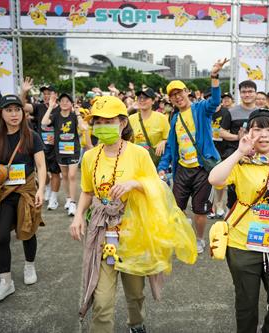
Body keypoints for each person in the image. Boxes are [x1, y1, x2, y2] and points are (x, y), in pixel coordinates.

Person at [69, 96, 196, 333]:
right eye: (98, 121)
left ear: (122, 123)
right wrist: (78, 216)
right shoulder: (89, 157)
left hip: (134, 234)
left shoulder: (138, 153)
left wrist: (133, 184)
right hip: (102, 233)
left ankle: (136, 323)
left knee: (135, 293)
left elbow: (157, 187)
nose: (103, 126)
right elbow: (87, 191)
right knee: (102, 301)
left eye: (109, 121)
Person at [209, 109, 269, 333]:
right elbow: (214, 179)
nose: (264, 134)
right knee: (246, 305)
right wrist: (238, 152)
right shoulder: (240, 163)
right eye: (258, 129)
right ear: (249, 132)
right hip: (242, 243)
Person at [0, 94, 46, 302]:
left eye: (17, 110)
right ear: (2, 113)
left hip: (26, 191)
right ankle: (6, 282)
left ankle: (29, 265)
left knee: (27, 231)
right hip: (4, 192)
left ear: (23, 112)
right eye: (9, 110)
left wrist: (40, 190)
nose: (14, 114)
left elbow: (40, 165)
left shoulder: (32, 136)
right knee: (1, 236)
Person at [158, 58, 228, 254]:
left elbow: (215, 101)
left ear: (187, 92)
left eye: (179, 92)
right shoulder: (174, 118)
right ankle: (181, 235)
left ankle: (198, 239)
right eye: (173, 96)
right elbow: (172, 147)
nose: (177, 97)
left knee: (199, 210)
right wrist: (163, 167)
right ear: (170, 100)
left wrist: (214, 76)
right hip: (182, 170)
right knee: (176, 209)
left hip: (202, 170)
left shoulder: (200, 109)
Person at [42, 92, 86, 216]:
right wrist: (50, 106)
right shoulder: (55, 116)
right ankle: (68, 198)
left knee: (72, 175)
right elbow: (44, 122)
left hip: (74, 151)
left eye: (67, 101)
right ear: (59, 103)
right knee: (65, 176)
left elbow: (83, 128)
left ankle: (73, 202)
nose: (64, 103)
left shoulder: (73, 116)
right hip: (60, 151)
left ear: (71, 104)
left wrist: (77, 112)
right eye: (62, 101)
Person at [21, 79, 62, 211]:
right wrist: (24, 92)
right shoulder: (39, 107)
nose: (46, 96)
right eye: (44, 93)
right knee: (42, 172)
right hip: (41, 146)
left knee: (55, 173)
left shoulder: (62, 108)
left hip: (56, 147)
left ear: (55, 94)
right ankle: (48, 187)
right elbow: (22, 106)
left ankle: (54, 198)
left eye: (49, 93)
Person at [220, 80, 258, 210]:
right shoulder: (231, 112)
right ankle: (231, 212)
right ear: (240, 94)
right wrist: (238, 137)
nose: (247, 94)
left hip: (257, 156)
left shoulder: (261, 112)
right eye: (244, 92)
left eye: (250, 91)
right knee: (234, 188)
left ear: (255, 93)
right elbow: (222, 132)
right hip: (235, 154)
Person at [128, 88, 170, 166]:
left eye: (146, 98)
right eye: (139, 98)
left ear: (153, 101)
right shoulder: (131, 119)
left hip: (154, 162)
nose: (142, 100)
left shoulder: (161, 118)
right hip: (137, 162)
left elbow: (169, 138)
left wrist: (164, 141)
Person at [209, 92, 232, 219]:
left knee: (221, 182)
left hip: (222, 150)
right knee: (207, 181)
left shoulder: (226, 113)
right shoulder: (206, 112)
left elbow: (226, 131)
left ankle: (219, 206)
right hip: (207, 151)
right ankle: (211, 207)